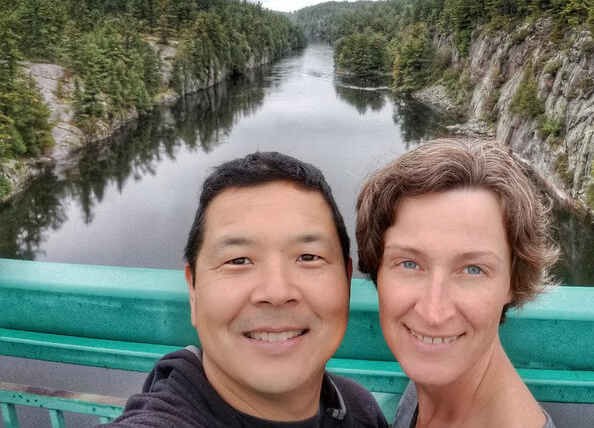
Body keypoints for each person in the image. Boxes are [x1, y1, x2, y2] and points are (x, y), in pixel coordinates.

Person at [108, 151, 388, 427]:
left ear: (346, 280)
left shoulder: (358, 409)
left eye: (308, 257)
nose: (276, 292)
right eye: (238, 260)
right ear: (193, 291)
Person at [355, 138, 560, 428]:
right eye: (410, 264)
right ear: (378, 268)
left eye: (473, 269)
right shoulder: (437, 383)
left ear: (513, 281)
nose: (433, 313)